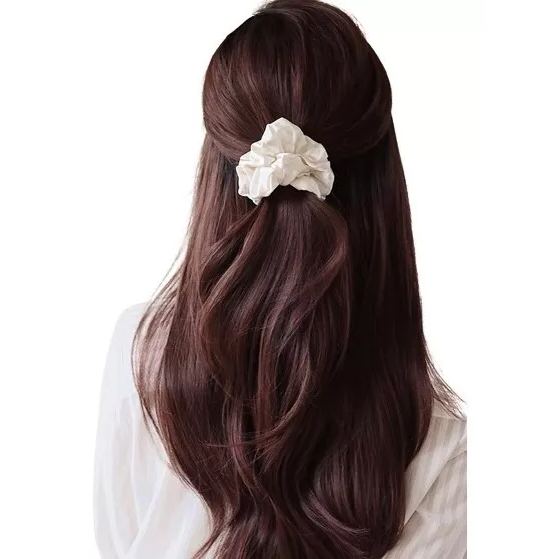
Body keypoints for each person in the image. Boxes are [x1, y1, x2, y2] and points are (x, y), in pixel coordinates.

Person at [93, 1, 467, 557]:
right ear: (384, 184)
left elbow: (116, 541)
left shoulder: (142, 353)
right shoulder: (436, 441)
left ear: (218, 167)